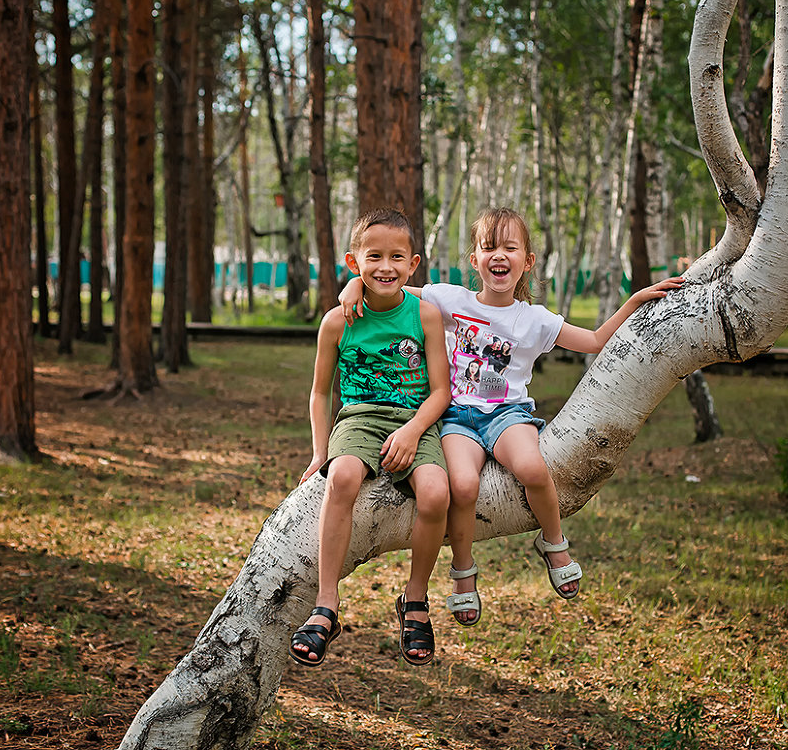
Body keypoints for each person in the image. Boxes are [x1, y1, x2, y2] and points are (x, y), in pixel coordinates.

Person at [340, 206, 682, 626]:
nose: (499, 256)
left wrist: (633, 301)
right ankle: (463, 573)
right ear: (475, 260)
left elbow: (593, 341)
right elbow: (391, 287)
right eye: (488, 247)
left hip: (507, 415)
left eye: (510, 247)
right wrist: (354, 285)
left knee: (533, 469)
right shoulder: (450, 299)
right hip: (457, 417)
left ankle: (554, 543)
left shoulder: (534, 320)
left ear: (527, 262)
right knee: (461, 486)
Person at [290, 208, 451, 667]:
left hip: (415, 417)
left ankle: (415, 601)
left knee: (437, 493)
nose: (386, 266)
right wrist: (320, 451)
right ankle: (325, 605)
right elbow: (320, 393)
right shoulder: (337, 322)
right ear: (352, 262)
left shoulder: (425, 315)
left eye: (397, 257)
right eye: (374, 256)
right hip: (358, 418)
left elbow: (441, 391)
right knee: (340, 478)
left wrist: (413, 430)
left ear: (414, 264)